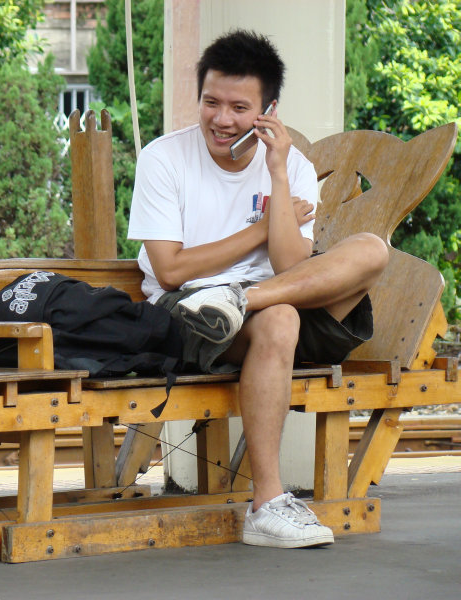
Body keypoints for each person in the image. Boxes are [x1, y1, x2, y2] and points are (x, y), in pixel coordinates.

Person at [127, 29, 389, 548]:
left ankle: (243, 300)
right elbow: (172, 269)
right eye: (211, 102)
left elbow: (292, 264)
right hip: (191, 311)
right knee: (282, 316)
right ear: (199, 97)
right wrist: (258, 229)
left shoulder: (291, 165)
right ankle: (268, 504)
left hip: (267, 296)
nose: (222, 120)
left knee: (372, 250)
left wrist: (276, 172)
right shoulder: (164, 159)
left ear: (269, 110)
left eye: (239, 108)